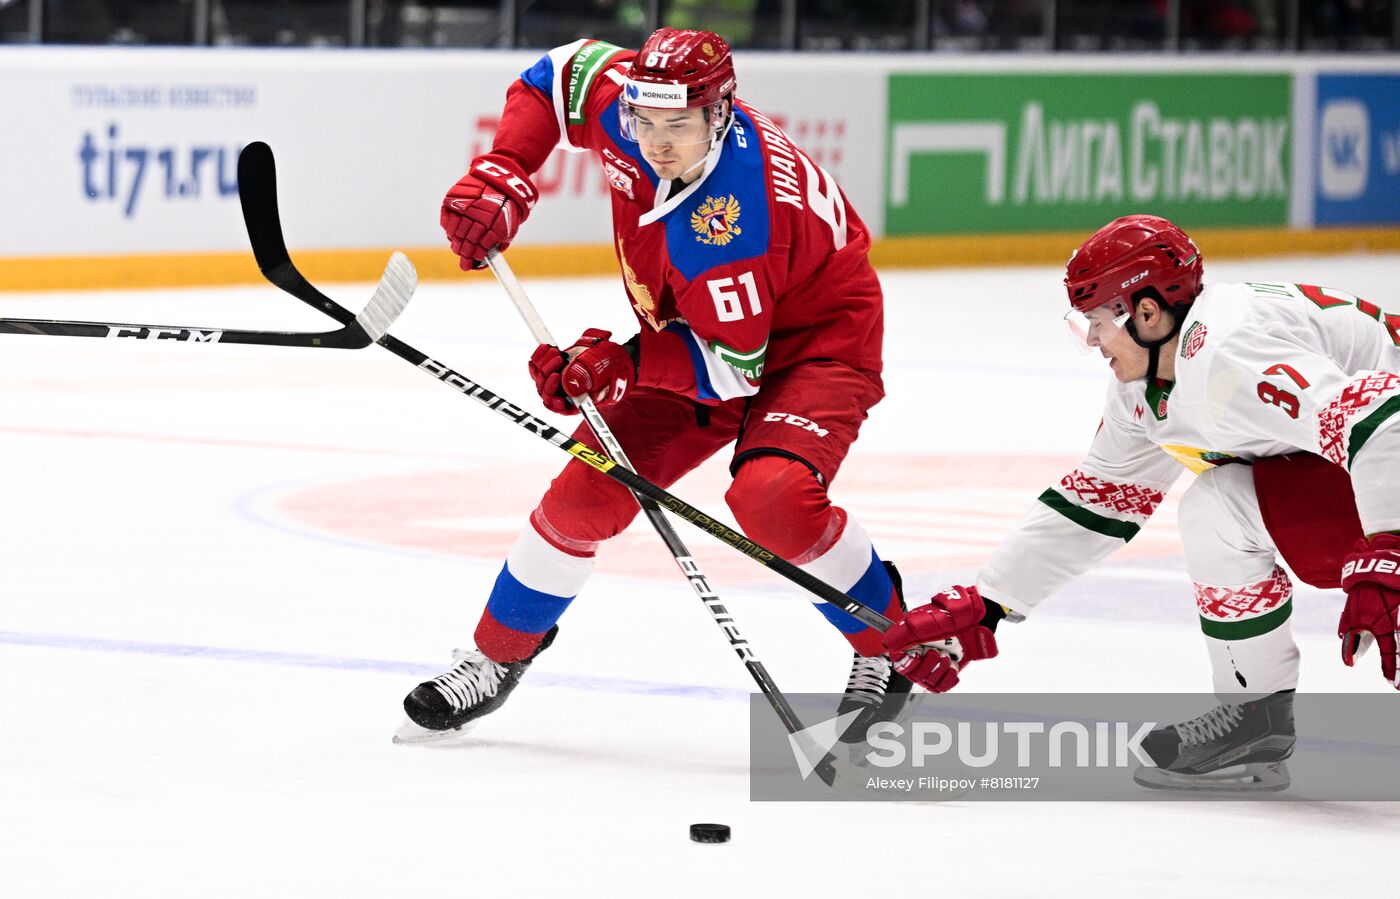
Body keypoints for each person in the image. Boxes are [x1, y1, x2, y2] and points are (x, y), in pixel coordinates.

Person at [395, 27, 911, 743]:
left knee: (772, 500)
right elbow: (557, 73)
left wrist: (619, 367)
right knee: (581, 496)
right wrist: (508, 166)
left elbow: (735, 368)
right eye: (644, 120)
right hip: (701, 332)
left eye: (679, 126)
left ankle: (893, 642)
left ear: (720, 112)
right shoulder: (630, 107)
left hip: (813, 346)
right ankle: (495, 656)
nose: (656, 142)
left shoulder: (734, 218)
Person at [882, 214, 1400, 791]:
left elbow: (1388, 419)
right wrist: (989, 605)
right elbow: (1099, 501)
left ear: (1148, 313)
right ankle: (1257, 716)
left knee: (1238, 515)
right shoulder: (1153, 378)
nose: (1095, 341)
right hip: (1374, 468)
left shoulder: (1230, 355)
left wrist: (1387, 550)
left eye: (1100, 322)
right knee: (1217, 508)